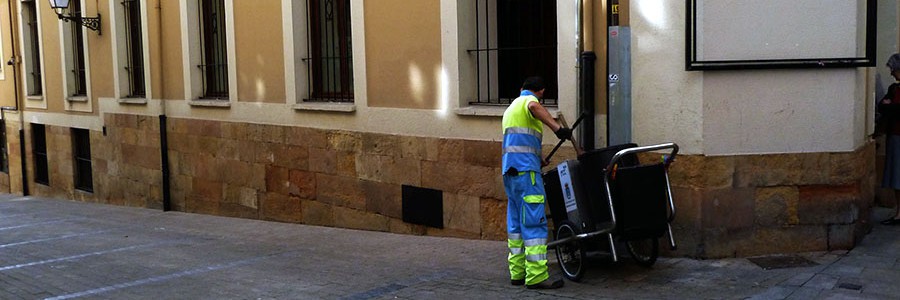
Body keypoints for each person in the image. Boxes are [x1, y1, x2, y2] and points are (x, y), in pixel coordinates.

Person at [501, 76, 570, 289]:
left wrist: (539, 158)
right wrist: (557, 128)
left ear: (521, 88)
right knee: (534, 223)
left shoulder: (511, 109)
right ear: (540, 91)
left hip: (510, 173)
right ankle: (537, 276)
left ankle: (517, 273)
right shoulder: (529, 102)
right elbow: (534, 107)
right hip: (526, 174)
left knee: (515, 225)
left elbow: (518, 142)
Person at [879, 53, 900, 225]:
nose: (892, 73)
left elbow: (890, 108)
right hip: (895, 135)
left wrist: (891, 106)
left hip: (898, 136)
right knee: (896, 176)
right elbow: (882, 105)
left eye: (893, 69)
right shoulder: (894, 88)